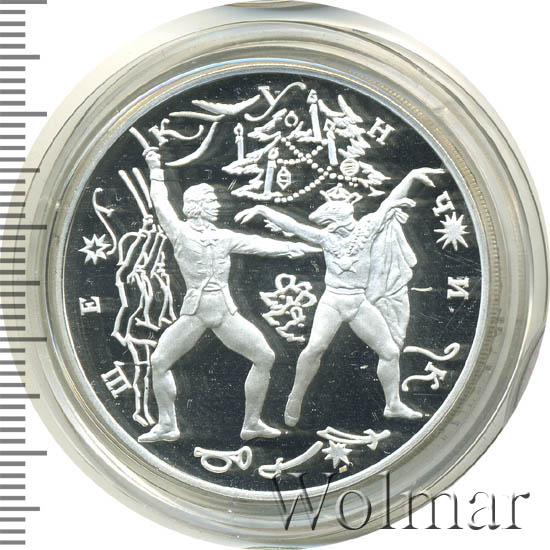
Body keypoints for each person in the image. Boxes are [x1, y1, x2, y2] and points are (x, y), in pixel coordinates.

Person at [236, 167, 444, 425]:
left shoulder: (367, 229)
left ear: (341, 220)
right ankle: (296, 396)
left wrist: (411, 176)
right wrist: (263, 210)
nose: (326, 227)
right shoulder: (326, 238)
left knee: (390, 351)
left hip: (358, 303)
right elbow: (295, 226)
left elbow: (388, 202)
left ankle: (393, 405)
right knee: (315, 348)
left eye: (329, 222)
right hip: (332, 302)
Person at [138, 149, 319, 443]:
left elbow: (263, 245)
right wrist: (155, 168)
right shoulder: (180, 233)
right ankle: (168, 425)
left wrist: (309, 249)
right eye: (211, 201)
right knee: (159, 362)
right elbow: (160, 203)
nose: (218, 205)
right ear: (195, 206)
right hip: (196, 313)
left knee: (264, 356)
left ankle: (252, 424)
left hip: (224, 312)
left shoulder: (224, 237)